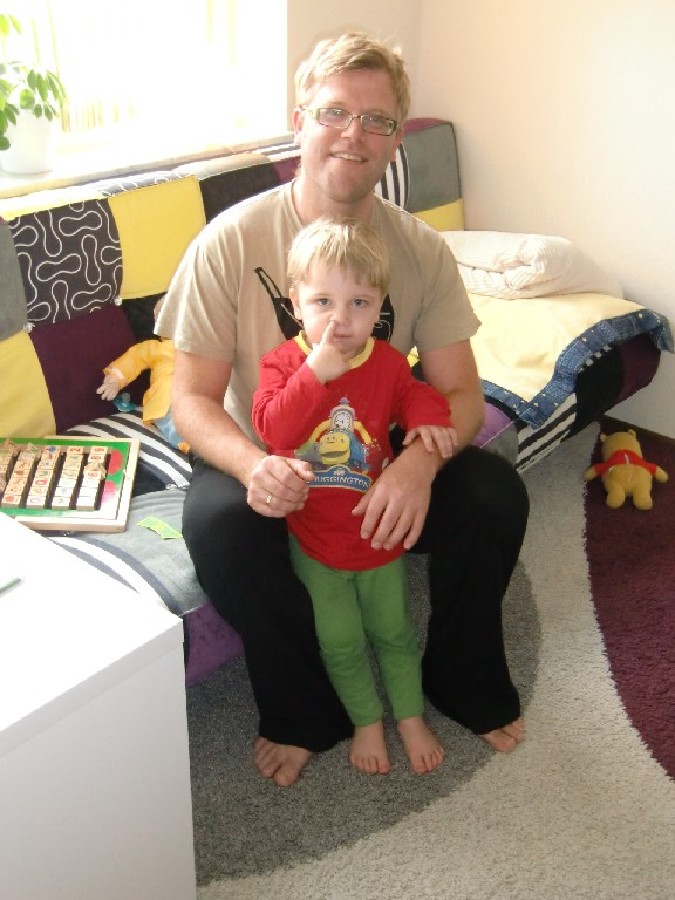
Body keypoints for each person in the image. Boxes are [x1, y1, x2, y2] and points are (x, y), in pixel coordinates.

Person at [157, 31, 529, 787]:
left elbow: (461, 392)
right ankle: (304, 712)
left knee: (494, 493)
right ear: (300, 122)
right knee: (220, 527)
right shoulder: (228, 242)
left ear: (395, 139)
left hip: (379, 451)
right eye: (334, 112)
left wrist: (418, 464)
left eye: (377, 120)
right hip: (264, 445)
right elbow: (190, 400)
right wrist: (253, 467)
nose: (353, 135)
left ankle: (460, 681)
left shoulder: (419, 249)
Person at [253, 218, 457, 775]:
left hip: (377, 533)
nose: (339, 320)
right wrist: (314, 374)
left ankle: (409, 717)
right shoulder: (282, 364)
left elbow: (416, 393)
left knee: (394, 632)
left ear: (379, 307)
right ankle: (366, 721)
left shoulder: (385, 361)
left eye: (359, 303)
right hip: (315, 541)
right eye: (323, 301)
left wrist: (428, 421)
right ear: (296, 303)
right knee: (339, 642)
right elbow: (273, 429)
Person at [97, 299, 189, 452]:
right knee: (175, 422)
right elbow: (133, 360)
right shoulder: (156, 348)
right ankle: (194, 447)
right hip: (168, 400)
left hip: (202, 400)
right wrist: (114, 380)